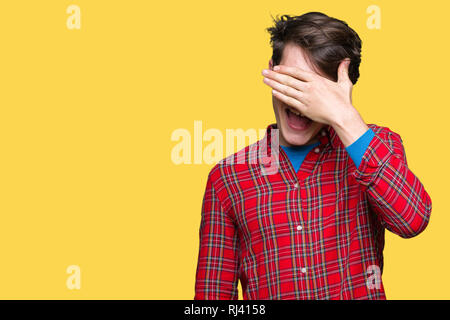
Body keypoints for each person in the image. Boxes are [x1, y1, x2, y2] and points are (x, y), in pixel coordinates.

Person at [194, 11, 432, 300]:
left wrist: (345, 116)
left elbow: (412, 221)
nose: (301, 101)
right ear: (271, 71)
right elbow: (212, 297)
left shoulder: (378, 145)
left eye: (317, 89)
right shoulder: (228, 178)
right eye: (293, 80)